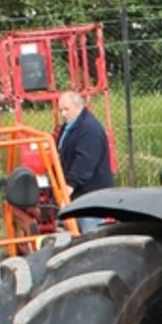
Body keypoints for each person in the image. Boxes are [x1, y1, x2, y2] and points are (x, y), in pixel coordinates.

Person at [55, 89, 115, 231]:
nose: (63, 114)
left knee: (91, 235)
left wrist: (68, 187)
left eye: (66, 109)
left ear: (77, 107)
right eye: (60, 110)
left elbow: (85, 162)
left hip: (92, 195)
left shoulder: (89, 129)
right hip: (80, 194)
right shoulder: (70, 126)